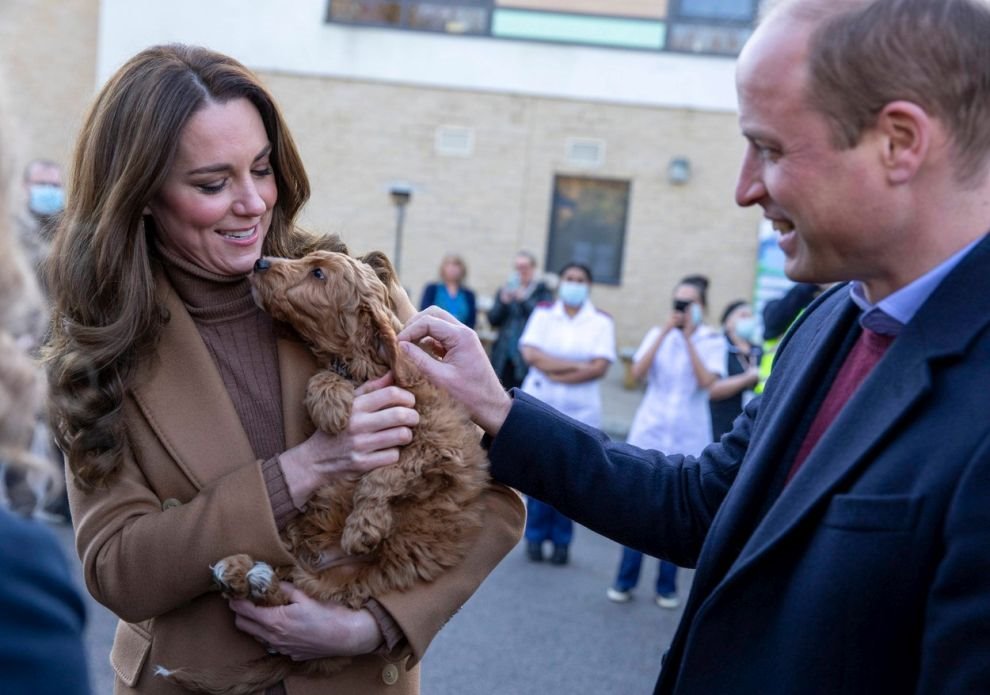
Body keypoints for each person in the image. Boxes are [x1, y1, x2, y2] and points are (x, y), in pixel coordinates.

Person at [396, 0, 990, 691]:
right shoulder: (831, 321)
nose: (745, 189)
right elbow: (701, 505)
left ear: (899, 142)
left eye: (769, 148)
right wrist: (495, 407)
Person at [43, 44, 523, 695]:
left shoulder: (355, 295)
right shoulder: (100, 344)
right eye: (213, 184)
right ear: (144, 195)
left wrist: (374, 623)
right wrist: (303, 469)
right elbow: (116, 566)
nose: (253, 202)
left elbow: (493, 497)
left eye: (262, 169)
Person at [0, 109, 90, 695]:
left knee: (44, 432)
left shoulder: (68, 235)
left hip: (44, 352)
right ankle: (22, 496)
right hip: (19, 347)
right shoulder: (19, 580)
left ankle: (31, 496)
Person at [606, 275, 724, 610]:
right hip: (651, 430)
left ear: (702, 307)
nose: (683, 310)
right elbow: (637, 373)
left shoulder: (711, 340)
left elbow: (707, 382)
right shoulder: (657, 335)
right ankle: (625, 579)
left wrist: (688, 340)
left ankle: (667, 585)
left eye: (689, 304)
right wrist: (664, 334)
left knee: (677, 509)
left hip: (688, 433)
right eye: (678, 303)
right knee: (637, 505)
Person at [517, 262, 615, 565]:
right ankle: (534, 537)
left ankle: (562, 542)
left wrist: (555, 369)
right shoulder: (545, 313)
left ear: (588, 285)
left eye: (580, 279)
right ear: (561, 282)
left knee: (571, 477)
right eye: (569, 278)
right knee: (538, 473)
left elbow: (600, 366)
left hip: (580, 409)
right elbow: (531, 354)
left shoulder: (600, 321)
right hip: (541, 402)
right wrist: (576, 365)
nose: (574, 283)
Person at [487, 250, 553, 390]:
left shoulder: (542, 292)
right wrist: (503, 303)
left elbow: (544, 321)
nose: (521, 271)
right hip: (503, 356)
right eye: (518, 267)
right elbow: (493, 320)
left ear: (533, 269)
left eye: (525, 267)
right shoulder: (505, 290)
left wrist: (524, 300)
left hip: (526, 359)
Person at [708, 299, 761, 440]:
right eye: (743, 316)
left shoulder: (759, 350)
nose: (748, 320)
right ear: (728, 323)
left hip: (751, 430)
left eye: (751, 316)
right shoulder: (719, 348)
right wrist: (747, 379)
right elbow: (711, 390)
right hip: (721, 428)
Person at [419, 252, 476, 329]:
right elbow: (424, 312)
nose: (452, 268)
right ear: (443, 268)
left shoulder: (469, 294)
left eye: (456, 264)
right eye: (448, 264)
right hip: (434, 332)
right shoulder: (432, 289)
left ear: (462, 269)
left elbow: (471, 321)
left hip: (461, 335)